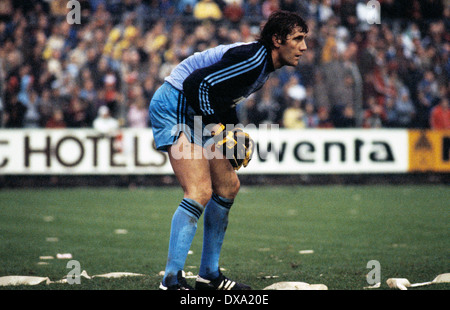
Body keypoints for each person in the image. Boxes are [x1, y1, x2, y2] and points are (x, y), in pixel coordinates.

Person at [149, 10, 309, 290]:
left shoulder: (261, 64)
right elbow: (197, 83)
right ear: (276, 39)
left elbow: (222, 95)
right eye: (297, 38)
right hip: (175, 104)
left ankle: (208, 276)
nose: (303, 47)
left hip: (193, 108)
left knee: (228, 186)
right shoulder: (254, 59)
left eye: (304, 39)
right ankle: (170, 281)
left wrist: (232, 131)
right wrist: (216, 129)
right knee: (199, 191)